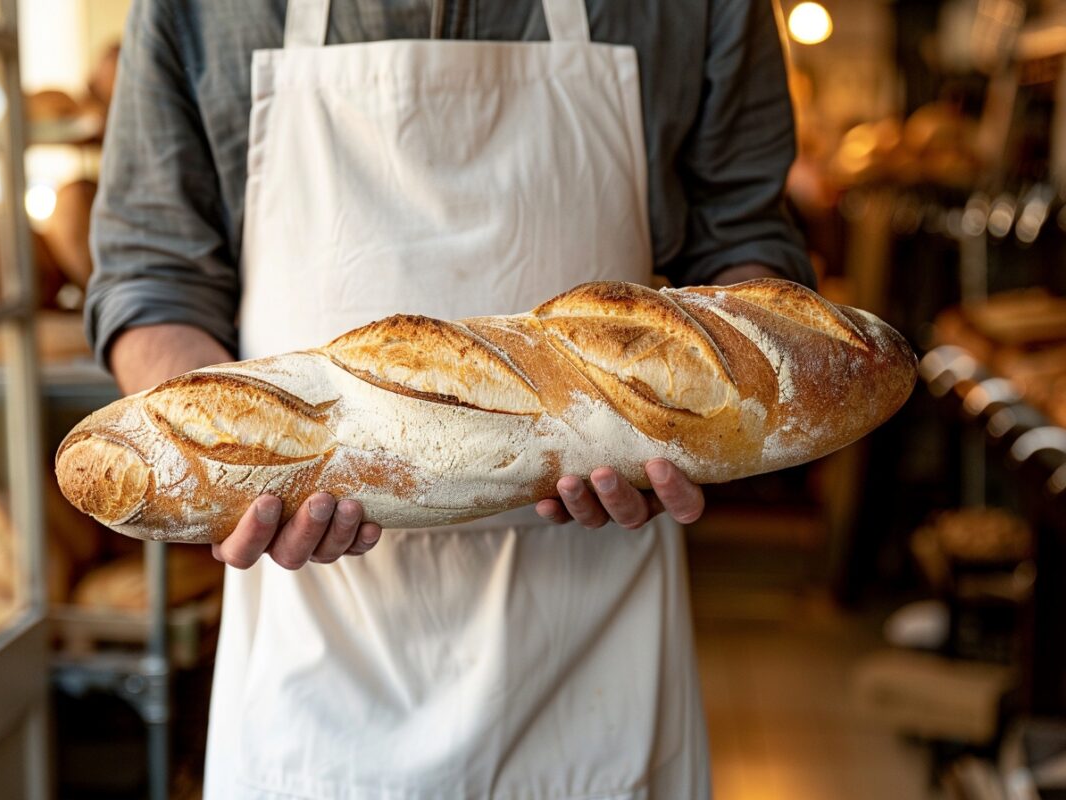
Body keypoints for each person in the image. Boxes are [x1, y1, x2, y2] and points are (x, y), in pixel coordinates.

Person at [87, 0, 815, 796]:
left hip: (596, 654)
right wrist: (233, 477)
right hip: (318, 662)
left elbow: (746, 249)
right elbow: (154, 276)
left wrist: (698, 428)